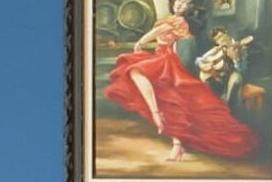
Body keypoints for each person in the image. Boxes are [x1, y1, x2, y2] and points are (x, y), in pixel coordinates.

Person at [103, 13, 257, 161]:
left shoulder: (179, 22)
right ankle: (177, 145)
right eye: (218, 38)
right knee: (171, 103)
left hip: (166, 61)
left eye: (222, 37)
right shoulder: (181, 26)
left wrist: (141, 42)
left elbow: (158, 32)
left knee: (135, 71)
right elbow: (199, 60)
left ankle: (156, 114)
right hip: (164, 60)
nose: (220, 40)